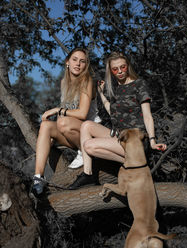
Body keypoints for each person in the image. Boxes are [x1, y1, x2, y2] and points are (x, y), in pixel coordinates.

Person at [67, 51, 167, 190]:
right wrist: (101, 93)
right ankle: (88, 174)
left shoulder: (139, 84)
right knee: (86, 125)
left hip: (135, 140)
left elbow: (148, 116)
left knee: (89, 146)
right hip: (120, 137)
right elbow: (112, 111)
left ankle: (134, 161)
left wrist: (152, 141)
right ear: (111, 71)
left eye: (123, 67)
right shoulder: (117, 89)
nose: (120, 71)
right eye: (115, 69)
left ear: (128, 66)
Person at [32, 47, 100, 196]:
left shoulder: (87, 81)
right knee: (45, 126)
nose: (78, 64)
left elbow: (82, 113)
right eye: (74, 60)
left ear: (86, 65)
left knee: (62, 122)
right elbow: (67, 114)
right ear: (67, 62)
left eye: (82, 61)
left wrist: (56, 110)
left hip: (92, 133)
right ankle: (38, 178)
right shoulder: (64, 82)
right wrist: (50, 137)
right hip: (74, 131)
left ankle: (84, 152)